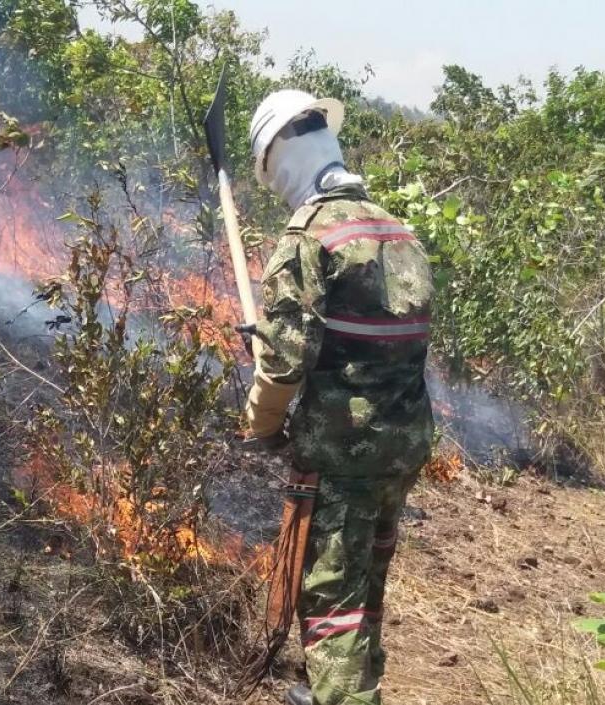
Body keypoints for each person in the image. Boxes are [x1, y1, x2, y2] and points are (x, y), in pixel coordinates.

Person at [243, 89, 435, 705]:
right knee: (368, 577)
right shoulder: (397, 230)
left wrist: (262, 426)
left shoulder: (308, 236)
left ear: (281, 160)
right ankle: (354, 689)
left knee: (330, 598)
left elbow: (282, 364)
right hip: (403, 444)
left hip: (344, 451)